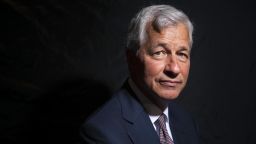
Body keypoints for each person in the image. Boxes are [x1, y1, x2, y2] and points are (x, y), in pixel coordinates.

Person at [80, 4, 200, 144]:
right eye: (159, 53)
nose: (174, 68)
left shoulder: (186, 122)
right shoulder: (101, 133)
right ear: (131, 58)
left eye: (181, 54)